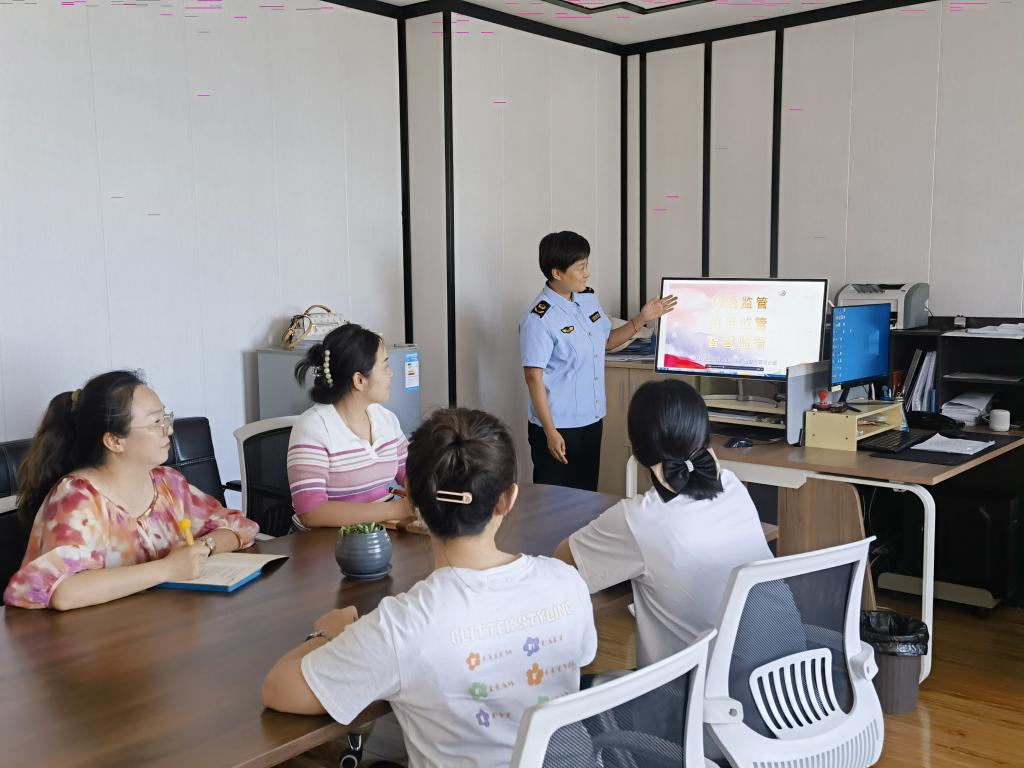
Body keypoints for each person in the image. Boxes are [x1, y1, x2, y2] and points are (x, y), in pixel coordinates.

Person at [263, 407, 597, 768]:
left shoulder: (403, 626)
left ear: (412, 500)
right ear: (508, 499)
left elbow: (278, 689)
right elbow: (581, 658)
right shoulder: (566, 582)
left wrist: (327, 634)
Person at [554, 379, 773, 667]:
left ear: (635, 447)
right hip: (786, 675)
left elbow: (564, 560)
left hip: (694, 689)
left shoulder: (638, 518)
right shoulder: (731, 484)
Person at [4, 370, 258, 610]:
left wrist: (204, 547)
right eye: (156, 422)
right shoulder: (77, 497)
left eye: (165, 417)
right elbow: (63, 592)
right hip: (100, 635)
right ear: (114, 441)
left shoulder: (168, 483)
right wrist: (169, 568)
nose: (169, 429)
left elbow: (239, 526)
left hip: (163, 624)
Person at [519, 231, 677, 491]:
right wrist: (550, 431)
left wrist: (642, 319)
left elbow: (607, 341)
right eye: (580, 267)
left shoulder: (587, 299)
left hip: (591, 420)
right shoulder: (539, 319)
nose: (587, 273)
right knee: (554, 501)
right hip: (559, 426)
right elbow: (533, 377)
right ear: (557, 273)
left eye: (587, 265)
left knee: (587, 496)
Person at [287, 324, 413, 530]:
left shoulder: (385, 419)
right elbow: (312, 512)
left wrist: (426, 493)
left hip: (380, 532)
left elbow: (407, 470)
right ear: (359, 380)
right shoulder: (313, 428)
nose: (391, 374)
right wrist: (398, 510)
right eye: (384, 366)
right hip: (327, 541)